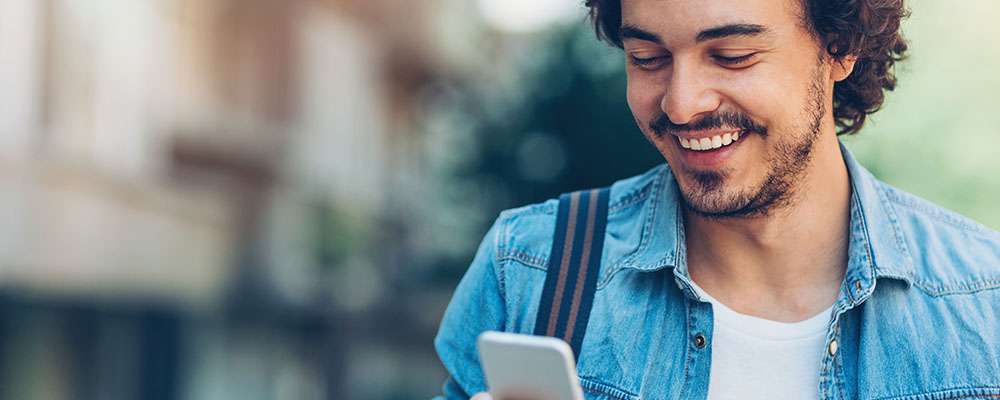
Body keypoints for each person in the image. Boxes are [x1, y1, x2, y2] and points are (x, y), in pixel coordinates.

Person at [434, 0, 1000, 398]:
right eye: (647, 59)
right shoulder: (529, 268)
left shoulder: (985, 301)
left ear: (840, 47)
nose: (681, 105)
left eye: (731, 55)